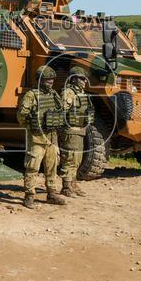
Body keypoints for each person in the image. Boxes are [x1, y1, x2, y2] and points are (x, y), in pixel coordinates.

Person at [16, 65, 66, 209]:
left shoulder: (54, 95)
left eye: (52, 79)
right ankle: (29, 195)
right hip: (37, 137)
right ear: (39, 80)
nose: (50, 82)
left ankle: (52, 193)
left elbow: (60, 111)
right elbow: (21, 115)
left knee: (52, 167)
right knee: (33, 167)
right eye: (47, 79)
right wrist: (31, 127)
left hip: (51, 137)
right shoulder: (31, 95)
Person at [59, 66, 93, 197]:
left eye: (85, 79)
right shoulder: (69, 93)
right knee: (70, 159)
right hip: (71, 130)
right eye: (82, 78)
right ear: (73, 79)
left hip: (80, 130)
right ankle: (66, 187)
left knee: (77, 159)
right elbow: (62, 110)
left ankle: (73, 184)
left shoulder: (82, 94)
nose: (85, 81)